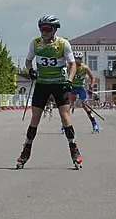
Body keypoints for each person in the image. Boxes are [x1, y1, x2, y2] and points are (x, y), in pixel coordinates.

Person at [19, 15, 82, 169]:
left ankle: (74, 150)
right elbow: (28, 60)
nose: (44, 32)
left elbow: (72, 64)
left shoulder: (63, 44)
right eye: (42, 28)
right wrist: (30, 70)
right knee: (35, 118)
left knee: (65, 116)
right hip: (42, 84)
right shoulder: (36, 43)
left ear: (55, 30)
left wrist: (69, 81)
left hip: (59, 83)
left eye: (48, 29)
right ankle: (26, 151)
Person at [69, 52, 98, 132]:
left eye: (79, 60)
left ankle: (94, 123)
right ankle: (65, 124)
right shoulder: (70, 66)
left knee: (85, 105)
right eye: (76, 60)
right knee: (68, 105)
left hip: (80, 88)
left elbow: (93, 77)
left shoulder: (85, 68)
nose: (77, 62)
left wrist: (91, 87)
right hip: (72, 88)